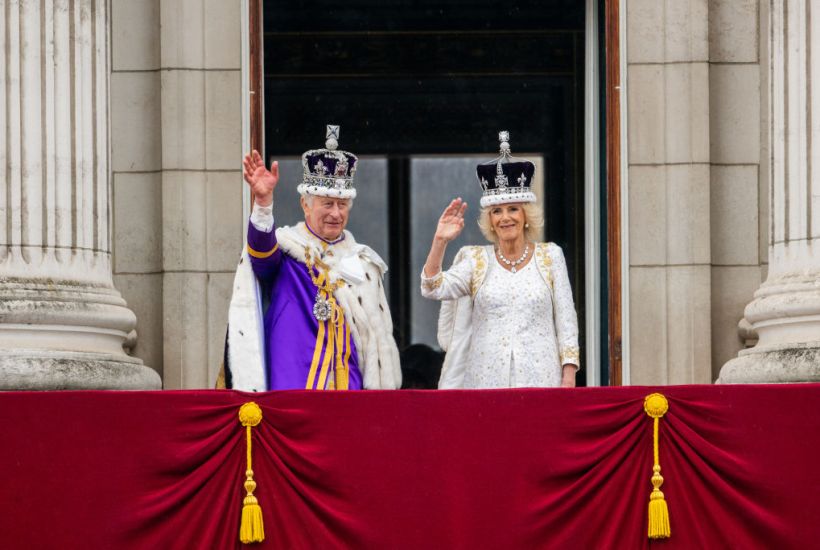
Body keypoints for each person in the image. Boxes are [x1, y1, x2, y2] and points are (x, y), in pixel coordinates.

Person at [222, 125, 401, 391]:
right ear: (305, 205)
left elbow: (375, 344)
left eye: (342, 205)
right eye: (327, 204)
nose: (336, 213)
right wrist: (263, 203)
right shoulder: (288, 251)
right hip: (294, 390)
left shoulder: (364, 264)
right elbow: (261, 255)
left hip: (349, 392)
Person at [420, 131, 579, 389]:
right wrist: (440, 241)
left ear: (525, 215)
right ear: (491, 220)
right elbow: (432, 287)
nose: (505, 217)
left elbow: (566, 321)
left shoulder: (550, 256)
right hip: (485, 383)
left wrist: (568, 376)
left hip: (541, 380)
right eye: (497, 211)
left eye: (513, 209)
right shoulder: (476, 261)